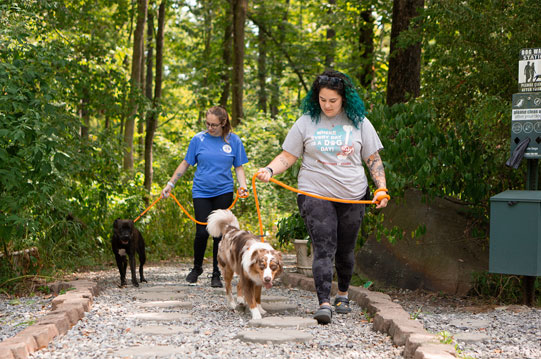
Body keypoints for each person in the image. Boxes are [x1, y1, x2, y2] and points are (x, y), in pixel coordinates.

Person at [256, 69, 389, 324]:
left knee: (346, 250)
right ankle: (324, 303)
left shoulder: (359, 122)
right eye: (322, 99)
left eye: (332, 100)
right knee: (324, 247)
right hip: (314, 191)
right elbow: (288, 156)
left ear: (344, 99)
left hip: (352, 194)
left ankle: (342, 294)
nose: (327, 105)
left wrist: (381, 188)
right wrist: (270, 169)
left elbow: (373, 159)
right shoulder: (306, 122)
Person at [162, 106, 249, 288]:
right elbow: (186, 163)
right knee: (202, 232)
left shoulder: (234, 141)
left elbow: (239, 167)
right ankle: (197, 268)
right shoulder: (198, 140)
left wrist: (243, 186)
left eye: (214, 125)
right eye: (208, 124)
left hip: (224, 191)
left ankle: (217, 273)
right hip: (201, 192)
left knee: (219, 235)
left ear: (223, 123)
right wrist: (170, 184)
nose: (210, 128)